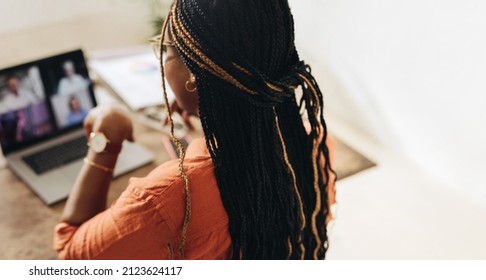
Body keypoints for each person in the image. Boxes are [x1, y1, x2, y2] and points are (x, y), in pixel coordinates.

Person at [54, 0, 337, 260]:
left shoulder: (168, 198)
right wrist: (211, 110)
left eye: (167, 51)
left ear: (194, 76)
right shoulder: (314, 145)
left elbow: (72, 255)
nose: (164, 60)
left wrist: (106, 140)